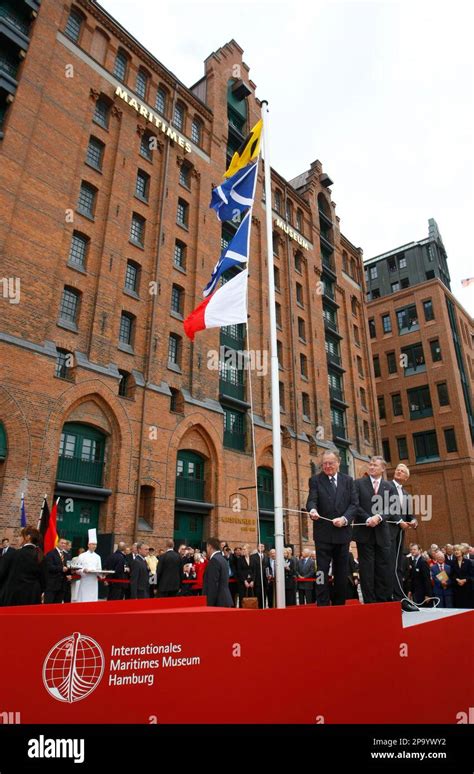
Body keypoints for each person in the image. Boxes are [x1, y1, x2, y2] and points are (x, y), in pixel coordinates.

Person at [306, 449, 358, 606]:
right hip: (323, 534)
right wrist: (312, 510)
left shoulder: (348, 480)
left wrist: (344, 519)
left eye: (331, 463)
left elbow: (354, 504)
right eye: (324, 464)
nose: (327, 466)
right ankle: (322, 603)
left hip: (342, 534)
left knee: (341, 571)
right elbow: (311, 500)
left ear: (338, 463)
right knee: (321, 570)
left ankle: (339, 603)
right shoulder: (315, 480)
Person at [354, 456, 395, 604]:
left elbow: (392, 507)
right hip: (364, 533)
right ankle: (370, 602)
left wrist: (379, 517)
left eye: (375, 465)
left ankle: (383, 600)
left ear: (383, 469)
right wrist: (367, 519)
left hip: (382, 534)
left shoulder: (389, 487)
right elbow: (355, 504)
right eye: (370, 464)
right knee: (367, 569)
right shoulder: (358, 483)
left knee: (382, 567)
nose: (371, 467)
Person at [388, 463, 417, 601]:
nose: (398, 472)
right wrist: (399, 521)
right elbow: (386, 508)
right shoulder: (386, 486)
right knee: (390, 564)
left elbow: (409, 514)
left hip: (401, 533)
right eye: (397, 470)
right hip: (388, 531)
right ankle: (393, 596)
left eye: (402, 471)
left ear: (406, 477)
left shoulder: (406, 494)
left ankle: (400, 597)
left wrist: (414, 521)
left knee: (398, 564)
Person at [0, 526, 45, 606]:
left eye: (20, 536)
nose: (17, 538)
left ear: (28, 537)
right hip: (33, 598)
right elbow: (44, 580)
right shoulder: (41, 556)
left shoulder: (12, 555)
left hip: (13, 597)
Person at [203, 537, 233, 607]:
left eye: (206, 547)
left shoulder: (214, 560)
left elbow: (213, 585)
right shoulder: (222, 559)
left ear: (209, 546)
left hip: (218, 602)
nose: (206, 550)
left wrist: (209, 604)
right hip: (224, 600)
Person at [75, 533, 103, 602]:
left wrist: (102, 575)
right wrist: (84, 570)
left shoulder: (98, 557)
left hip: (94, 581)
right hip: (85, 580)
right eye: (93, 544)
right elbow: (77, 569)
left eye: (95, 544)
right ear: (88, 545)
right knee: (83, 599)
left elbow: (99, 570)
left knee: (92, 600)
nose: (94, 546)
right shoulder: (82, 556)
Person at [44, 537, 71, 604]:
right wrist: (61, 568)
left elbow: (68, 567)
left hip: (62, 585)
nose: (63, 545)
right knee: (48, 605)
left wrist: (70, 573)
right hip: (52, 585)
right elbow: (49, 567)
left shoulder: (67, 555)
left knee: (58, 605)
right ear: (57, 543)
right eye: (62, 543)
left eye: (65, 543)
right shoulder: (50, 554)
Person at [451, 544, 473, 608]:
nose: (456, 552)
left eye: (458, 550)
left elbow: (472, 575)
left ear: (462, 551)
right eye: (455, 550)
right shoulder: (452, 563)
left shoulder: (468, 562)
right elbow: (452, 575)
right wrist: (457, 579)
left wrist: (465, 580)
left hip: (467, 588)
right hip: (457, 589)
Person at [250, 542, 269, 609]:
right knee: (257, 596)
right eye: (260, 546)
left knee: (264, 597)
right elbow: (251, 569)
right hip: (257, 580)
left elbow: (267, 567)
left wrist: (268, 575)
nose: (261, 547)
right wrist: (252, 580)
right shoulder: (252, 557)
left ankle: (263, 608)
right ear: (257, 547)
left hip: (264, 581)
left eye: (263, 546)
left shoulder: (266, 556)